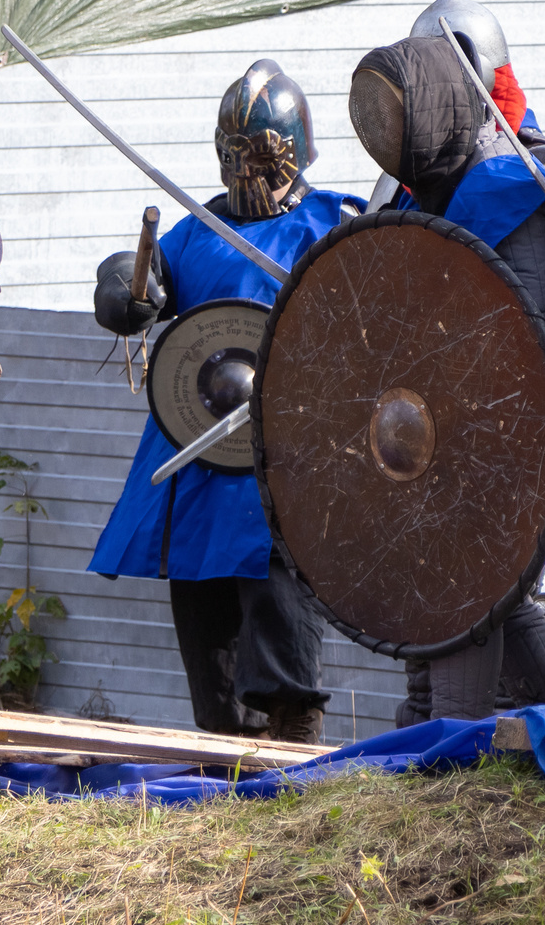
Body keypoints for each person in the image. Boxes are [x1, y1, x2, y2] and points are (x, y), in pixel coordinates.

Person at [87, 61, 357, 743]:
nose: (250, 172)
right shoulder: (197, 231)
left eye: (263, 156)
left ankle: (294, 754)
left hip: (288, 457)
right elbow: (142, 275)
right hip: (202, 447)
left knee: (282, 611)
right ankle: (221, 757)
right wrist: (125, 286)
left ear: (295, 150)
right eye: (237, 155)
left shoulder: (336, 224)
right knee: (207, 619)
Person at [349, 26, 545, 720]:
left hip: (506, 434)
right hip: (439, 433)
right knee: (489, 596)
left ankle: (448, 739)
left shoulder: (507, 188)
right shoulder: (430, 189)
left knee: (469, 587)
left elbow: (523, 333)